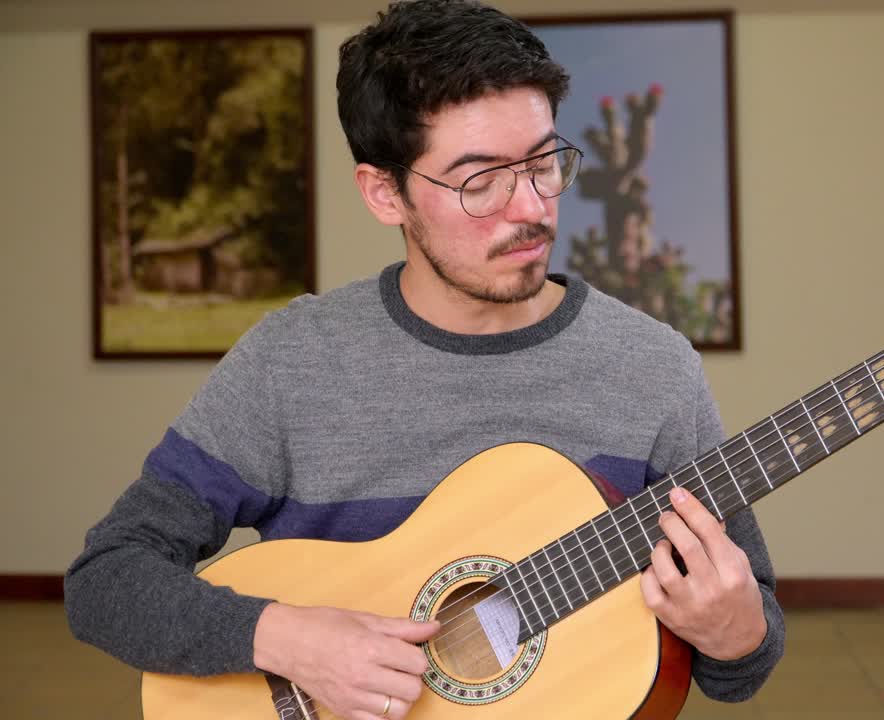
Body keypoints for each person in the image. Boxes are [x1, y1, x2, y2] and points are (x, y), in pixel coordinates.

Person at [64, 1, 784, 718]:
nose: (529, 207)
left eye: (543, 162)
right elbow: (106, 579)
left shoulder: (654, 370)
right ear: (386, 193)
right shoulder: (291, 363)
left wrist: (739, 631)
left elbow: (741, 658)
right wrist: (285, 638)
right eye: (480, 181)